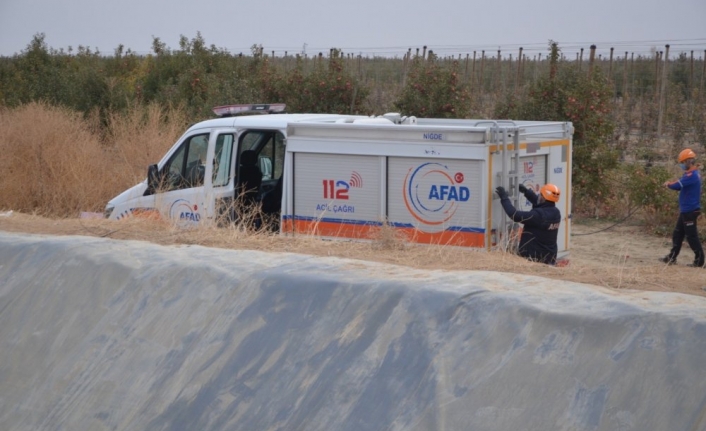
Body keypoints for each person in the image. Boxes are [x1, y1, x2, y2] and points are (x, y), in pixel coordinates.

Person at [495, 183, 562, 265]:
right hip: (549, 257)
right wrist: (526, 192)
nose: (538, 196)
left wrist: (504, 198)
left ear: (543, 197)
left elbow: (514, 215)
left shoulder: (538, 215)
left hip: (534, 259)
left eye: (540, 194)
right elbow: (540, 203)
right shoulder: (556, 212)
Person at [660, 148, 704, 267]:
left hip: (690, 210)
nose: (681, 164)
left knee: (691, 236)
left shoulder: (692, 175)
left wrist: (668, 184)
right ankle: (672, 257)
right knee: (678, 234)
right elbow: (680, 185)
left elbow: (677, 185)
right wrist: (671, 184)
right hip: (686, 210)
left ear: (688, 161)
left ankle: (699, 260)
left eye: (682, 162)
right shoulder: (690, 174)